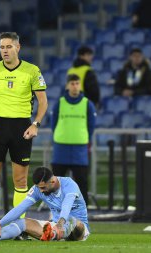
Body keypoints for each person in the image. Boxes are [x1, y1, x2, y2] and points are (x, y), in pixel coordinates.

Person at [0, 32, 48, 231]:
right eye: (1, 47)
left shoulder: (32, 71)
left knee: (21, 180)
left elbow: (43, 101)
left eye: (8, 47)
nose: (4, 51)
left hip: (21, 129)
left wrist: (36, 125)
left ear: (18, 47)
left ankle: (18, 227)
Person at [0, 167, 90, 242]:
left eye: (43, 187)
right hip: (55, 227)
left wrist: (60, 224)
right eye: (39, 188)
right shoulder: (38, 189)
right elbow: (20, 208)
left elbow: (66, 206)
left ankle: (52, 233)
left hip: (79, 230)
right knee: (21, 222)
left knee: (72, 221)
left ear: (52, 181)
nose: (40, 191)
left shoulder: (69, 185)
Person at [51, 74, 96, 205]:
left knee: (82, 182)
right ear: (67, 85)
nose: (75, 86)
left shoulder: (88, 104)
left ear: (80, 85)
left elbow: (91, 126)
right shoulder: (60, 103)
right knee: (56, 182)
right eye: (72, 83)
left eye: (77, 83)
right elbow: (54, 124)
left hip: (79, 149)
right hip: (61, 148)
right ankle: (55, 210)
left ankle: (82, 212)